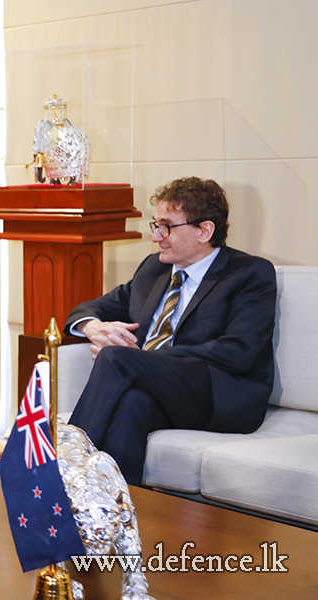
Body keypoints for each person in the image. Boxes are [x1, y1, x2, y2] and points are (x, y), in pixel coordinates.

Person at [65, 177, 276, 486]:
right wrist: (94, 327)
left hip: (216, 393)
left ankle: (66, 469)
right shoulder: (154, 269)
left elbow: (239, 351)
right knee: (132, 405)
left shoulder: (248, 274)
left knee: (116, 359)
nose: (155, 237)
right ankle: (116, 512)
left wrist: (148, 359)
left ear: (204, 230)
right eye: (156, 225)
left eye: (166, 226)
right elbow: (87, 309)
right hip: (162, 392)